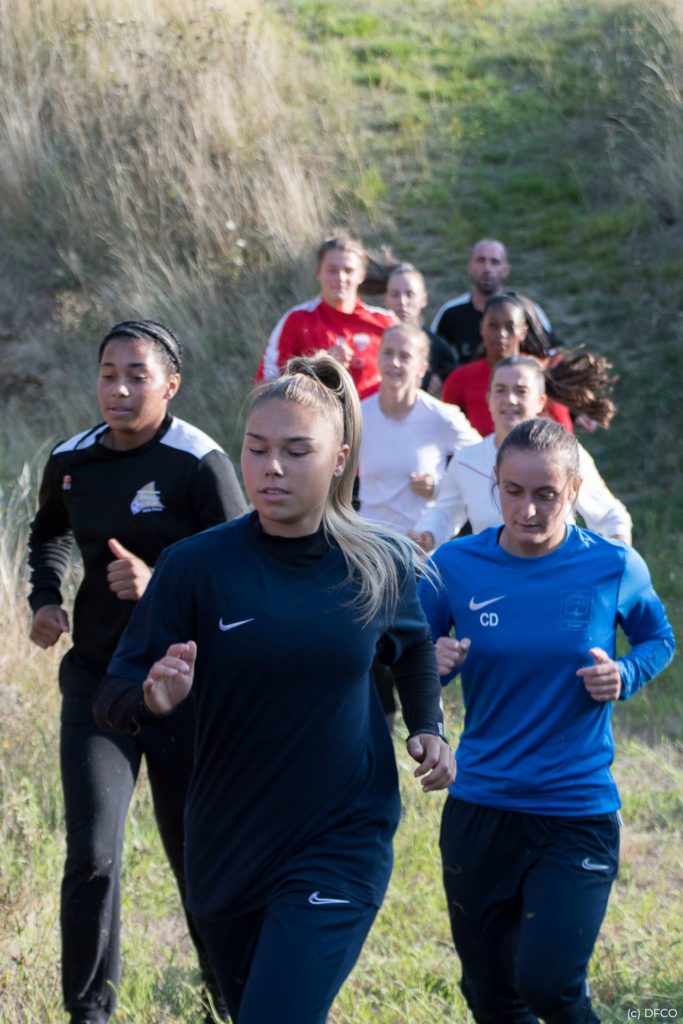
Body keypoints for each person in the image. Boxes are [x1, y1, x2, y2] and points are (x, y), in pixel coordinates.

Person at [93, 354, 455, 1024]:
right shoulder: (195, 567)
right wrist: (152, 699)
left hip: (341, 836)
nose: (272, 468)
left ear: (339, 459)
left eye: (295, 451)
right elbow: (111, 695)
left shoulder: (378, 561)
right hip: (227, 841)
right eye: (257, 450)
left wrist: (427, 725)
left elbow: (411, 649)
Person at [418, 417, 675, 1024]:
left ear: (575, 489)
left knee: (548, 984)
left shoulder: (613, 565)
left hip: (575, 809)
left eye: (546, 494)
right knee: (490, 995)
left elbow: (658, 639)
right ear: (494, 485)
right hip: (481, 807)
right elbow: (406, 655)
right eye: (513, 491)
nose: (527, 510)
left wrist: (625, 673)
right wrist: (432, 662)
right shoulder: (454, 564)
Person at [27, 320, 246, 1024]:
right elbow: (49, 529)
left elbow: (243, 575)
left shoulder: (199, 464)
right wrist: (45, 597)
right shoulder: (72, 460)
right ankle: (89, 1013)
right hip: (98, 680)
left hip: (184, 686)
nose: (117, 389)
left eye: (136, 376)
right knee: (92, 853)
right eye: (107, 374)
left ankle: (228, 1003)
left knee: (196, 857)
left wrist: (160, 587)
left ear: (170, 385)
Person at [412, 356, 632, 550]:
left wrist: (621, 552)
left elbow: (608, 514)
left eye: (521, 391)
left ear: (541, 401)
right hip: (493, 580)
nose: (510, 399)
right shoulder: (466, 460)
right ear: (488, 399)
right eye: (500, 390)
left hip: (557, 577)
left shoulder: (566, 454)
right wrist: (427, 536)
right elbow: (444, 513)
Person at [359, 323, 480, 535]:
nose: (394, 362)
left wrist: (439, 487)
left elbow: (483, 460)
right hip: (369, 543)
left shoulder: (441, 416)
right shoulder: (359, 415)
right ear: (378, 358)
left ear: (422, 368)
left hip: (420, 544)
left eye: (405, 356)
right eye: (387, 353)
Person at [256, 232, 396, 399]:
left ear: (361, 275)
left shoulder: (386, 323)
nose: (340, 278)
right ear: (318, 272)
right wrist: (319, 366)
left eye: (348, 270)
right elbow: (263, 389)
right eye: (332, 270)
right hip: (314, 413)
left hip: (372, 415)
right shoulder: (298, 319)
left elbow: (410, 378)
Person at [430, 238, 554, 364]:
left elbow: (552, 352)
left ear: (505, 270)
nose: (487, 269)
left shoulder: (527, 309)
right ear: (470, 267)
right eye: (481, 261)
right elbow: (430, 353)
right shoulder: (451, 312)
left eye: (495, 262)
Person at [384, 262, 458, 396]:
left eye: (410, 294)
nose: (402, 302)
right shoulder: (373, 339)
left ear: (424, 299)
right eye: (394, 295)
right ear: (386, 299)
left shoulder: (438, 348)